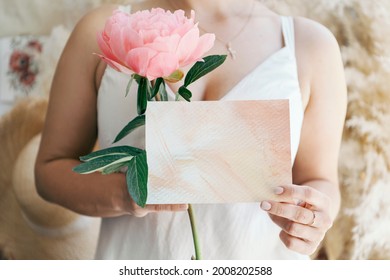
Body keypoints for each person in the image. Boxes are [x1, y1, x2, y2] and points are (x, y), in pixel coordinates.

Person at [35, 0, 347, 259]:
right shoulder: (104, 30)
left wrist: (315, 215)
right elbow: (50, 171)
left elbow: (320, 179)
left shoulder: (309, 45)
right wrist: (128, 193)